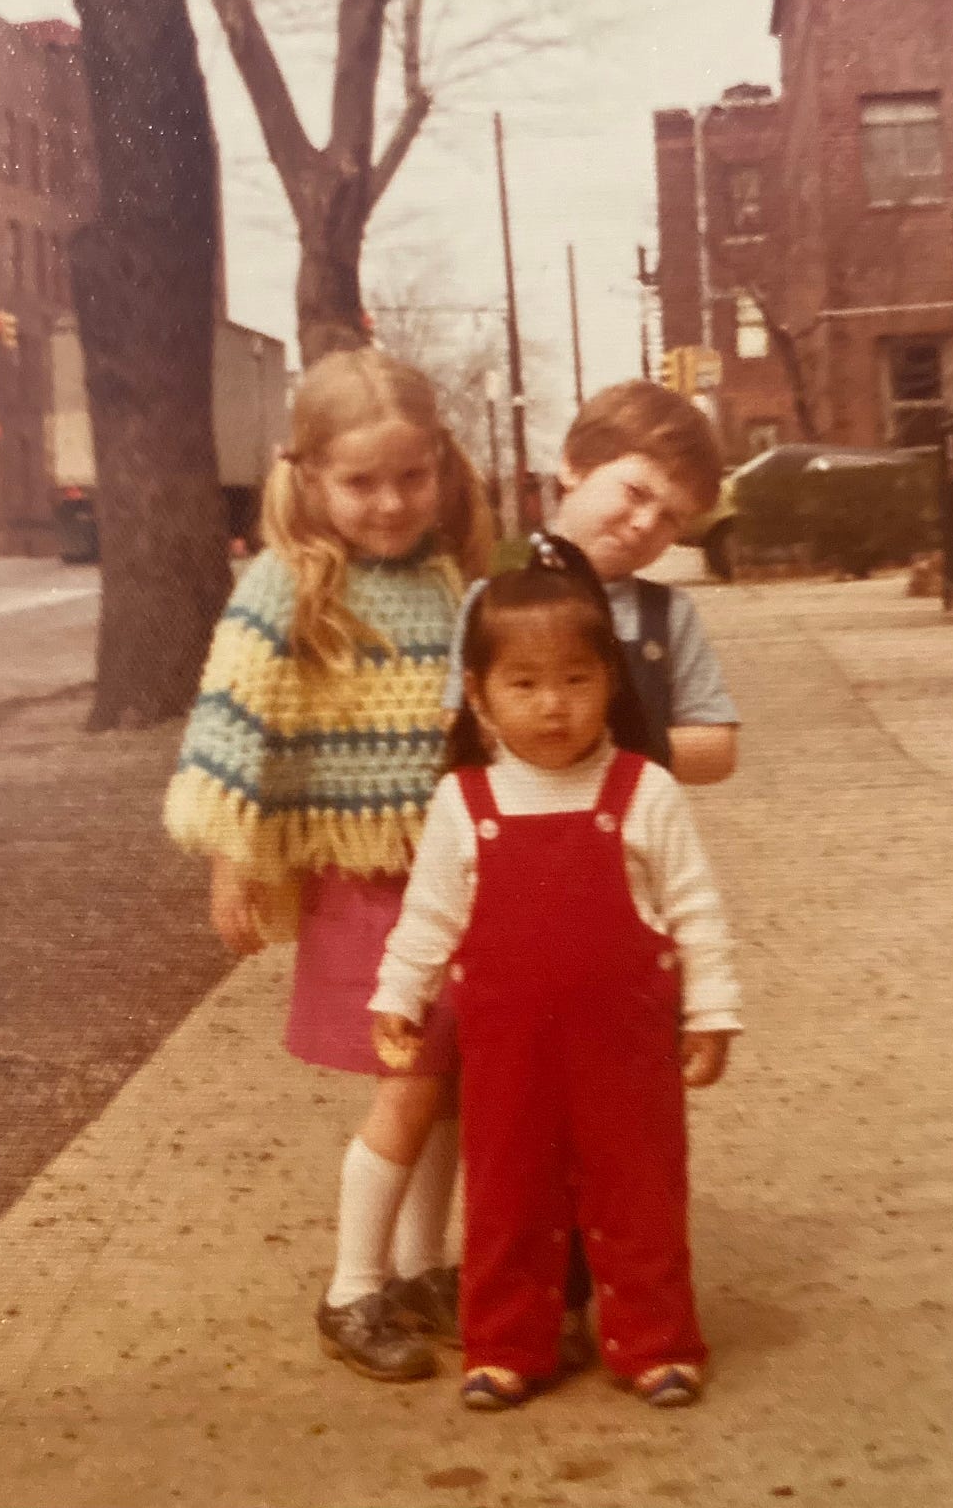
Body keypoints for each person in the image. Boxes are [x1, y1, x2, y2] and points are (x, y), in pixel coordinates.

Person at [163, 350, 495, 1384]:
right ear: (307, 478)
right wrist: (235, 861)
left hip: (453, 876)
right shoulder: (286, 582)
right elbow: (233, 722)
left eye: (412, 475)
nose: (390, 502)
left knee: (450, 1080)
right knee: (408, 1078)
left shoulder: (452, 576)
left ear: (441, 465)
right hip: (362, 877)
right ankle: (351, 1285)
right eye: (361, 482)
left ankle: (419, 1266)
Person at [371, 544, 741, 1410]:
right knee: (505, 1194)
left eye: (576, 679)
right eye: (525, 684)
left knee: (642, 1191)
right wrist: (398, 994)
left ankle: (655, 1340)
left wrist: (713, 1011)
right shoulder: (464, 803)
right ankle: (505, 1343)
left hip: (629, 1048)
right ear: (480, 693)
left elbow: (697, 912)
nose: (552, 705)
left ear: (610, 680)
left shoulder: (643, 790)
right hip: (508, 1052)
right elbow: (427, 918)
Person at [445, 380, 741, 1361]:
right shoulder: (497, 591)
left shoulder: (663, 614)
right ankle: (535, 1304)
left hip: (624, 879)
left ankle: (637, 1310)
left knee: (623, 1119)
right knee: (518, 1125)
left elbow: (717, 744)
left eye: (672, 516)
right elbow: (466, 736)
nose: (647, 523)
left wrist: (626, 750)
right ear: (572, 466)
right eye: (634, 490)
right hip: (519, 879)